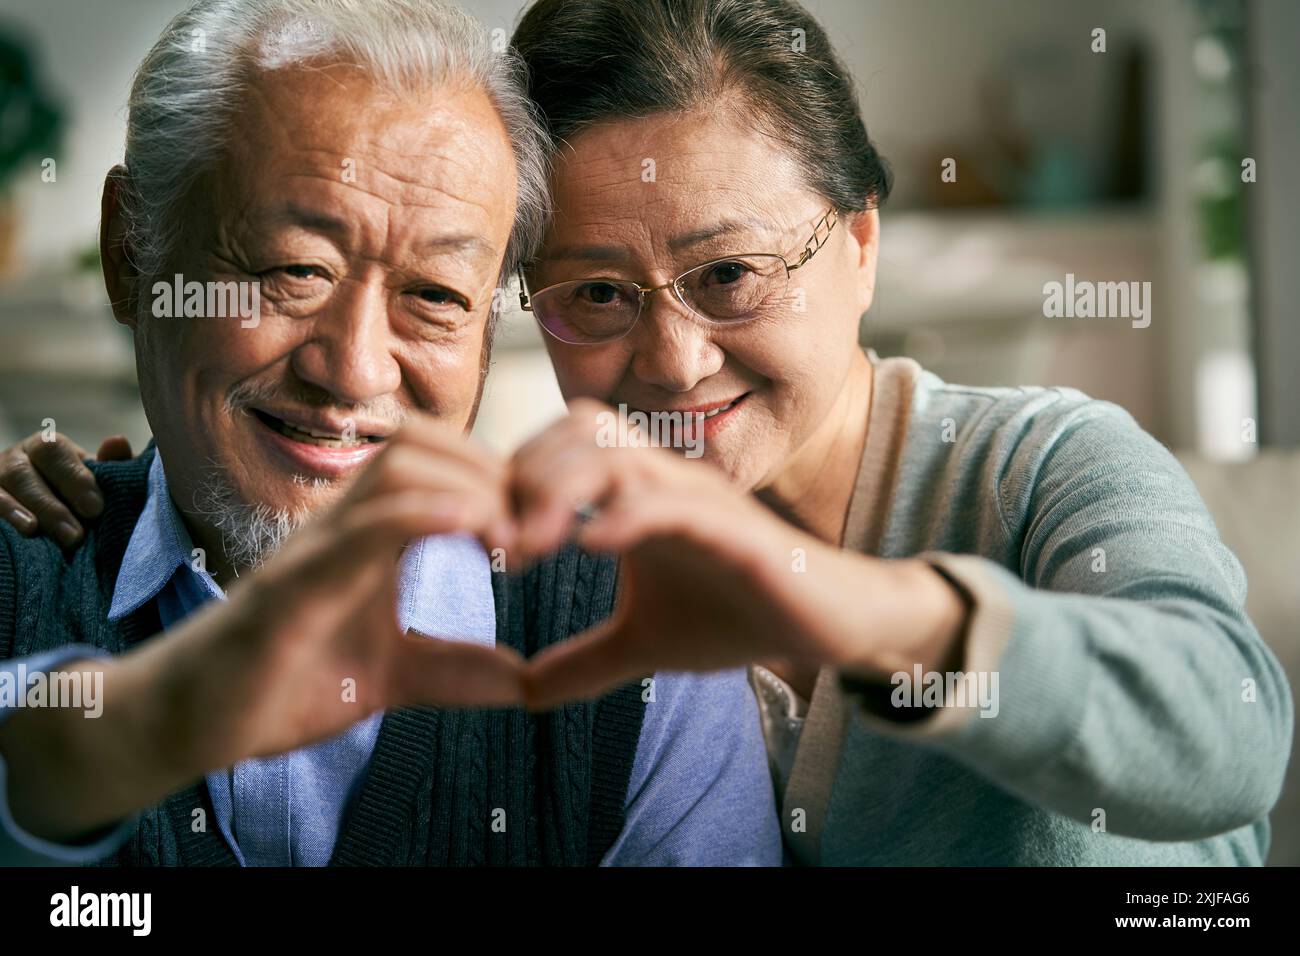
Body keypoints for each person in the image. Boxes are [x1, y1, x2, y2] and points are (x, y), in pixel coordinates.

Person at [7, 0, 1292, 866]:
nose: (671, 358)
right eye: (597, 295)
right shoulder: (572, 565)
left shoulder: (1037, 467)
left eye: (730, 274)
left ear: (857, 244)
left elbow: (1225, 732)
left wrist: (830, 603)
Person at [0, 0, 780, 867]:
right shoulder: (18, 561)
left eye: (437, 296)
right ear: (129, 254)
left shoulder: (639, 634)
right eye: (295, 271)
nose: (356, 371)